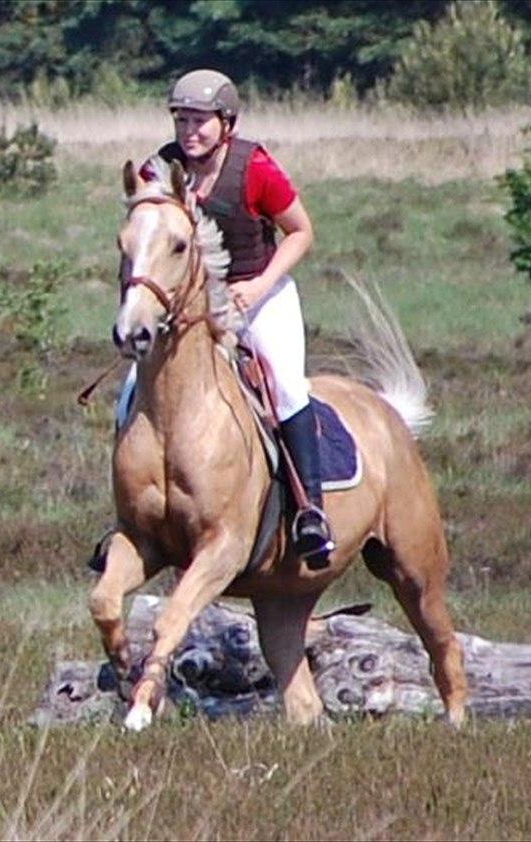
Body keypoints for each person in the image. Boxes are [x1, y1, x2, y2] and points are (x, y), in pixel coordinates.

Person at [129, 68, 334, 568]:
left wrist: (260, 284)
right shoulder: (163, 168)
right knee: (133, 390)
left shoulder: (255, 168)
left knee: (286, 388)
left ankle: (310, 511)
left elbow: (301, 232)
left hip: (258, 296)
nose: (189, 131)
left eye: (199, 121)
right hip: (192, 308)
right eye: (181, 120)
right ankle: (129, 516)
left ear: (227, 122)